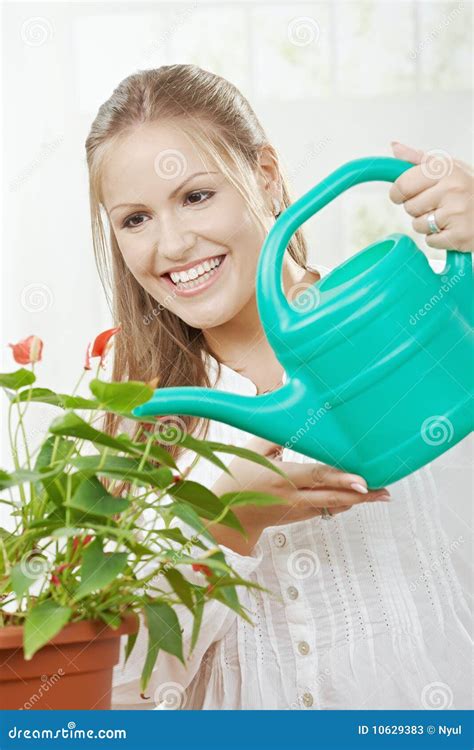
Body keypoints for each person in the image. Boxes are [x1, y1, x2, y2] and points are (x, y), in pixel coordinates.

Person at [84, 65, 473, 710]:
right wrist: (222, 529)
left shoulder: (401, 322)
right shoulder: (131, 418)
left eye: (196, 196)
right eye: (134, 219)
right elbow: (111, 691)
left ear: (265, 174)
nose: (173, 244)